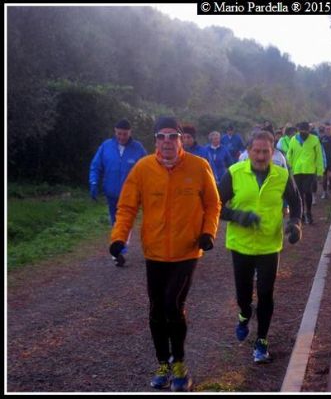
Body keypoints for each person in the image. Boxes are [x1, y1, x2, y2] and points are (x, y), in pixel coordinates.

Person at [109, 116, 221, 392]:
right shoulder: (143, 168)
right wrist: (119, 238)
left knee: (173, 304)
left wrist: (208, 233)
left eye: (173, 136)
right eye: (162, 136)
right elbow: (127, 207)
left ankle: (179, 364)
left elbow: (213, 204)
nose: (167, 142)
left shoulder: (199, 166)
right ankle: (163, 364)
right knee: (157, 309)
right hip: (155, 252)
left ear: (181, 139)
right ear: (155, 140)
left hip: (187, 251)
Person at [218, 130, 302, 364]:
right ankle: (244, 313)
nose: (261, 156)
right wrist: (237, 216)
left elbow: (296, 202)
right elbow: (215, 205)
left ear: (273, 152)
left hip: (269, 245)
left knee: (266, 293)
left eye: (266, 151)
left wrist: (296, 223)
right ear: (248, 151)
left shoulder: (282, 175)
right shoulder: (234, 173)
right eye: (257, 151)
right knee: (244, 294)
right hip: (241, 245)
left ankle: (262, 340)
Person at [89, 118, 147, 225]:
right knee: (115, 223)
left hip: (129, 196)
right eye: (119, 134)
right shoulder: (106, 146)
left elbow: (146, 170)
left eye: (125, 134)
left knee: (125, 223)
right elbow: (96, 166)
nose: (122, 137)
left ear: (130, 133)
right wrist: (94, 182)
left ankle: (125, 235)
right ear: (115, 132)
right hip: (111, 194)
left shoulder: (138, 148)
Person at [286, 122, 324, 225]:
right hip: (297, 171)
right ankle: (301, 214)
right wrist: (288, 167)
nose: (303, 133)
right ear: (298, 130)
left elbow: (319, 156)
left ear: (309, 130)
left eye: (305, 131)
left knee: (307, 191)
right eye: (301, 131)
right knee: (299, 193)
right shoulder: (293, 140)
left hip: (309, 171)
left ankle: (309, 213)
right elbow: (289, 154)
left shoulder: (314, 140)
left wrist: (320, 172)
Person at [320, 124, 331, 199]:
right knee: (324, 178)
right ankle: (324, 192)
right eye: (326, 129)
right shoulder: (322, 139)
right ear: (324, 130)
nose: (328, 130)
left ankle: (330, 184)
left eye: (329, 129)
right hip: (323, 161)